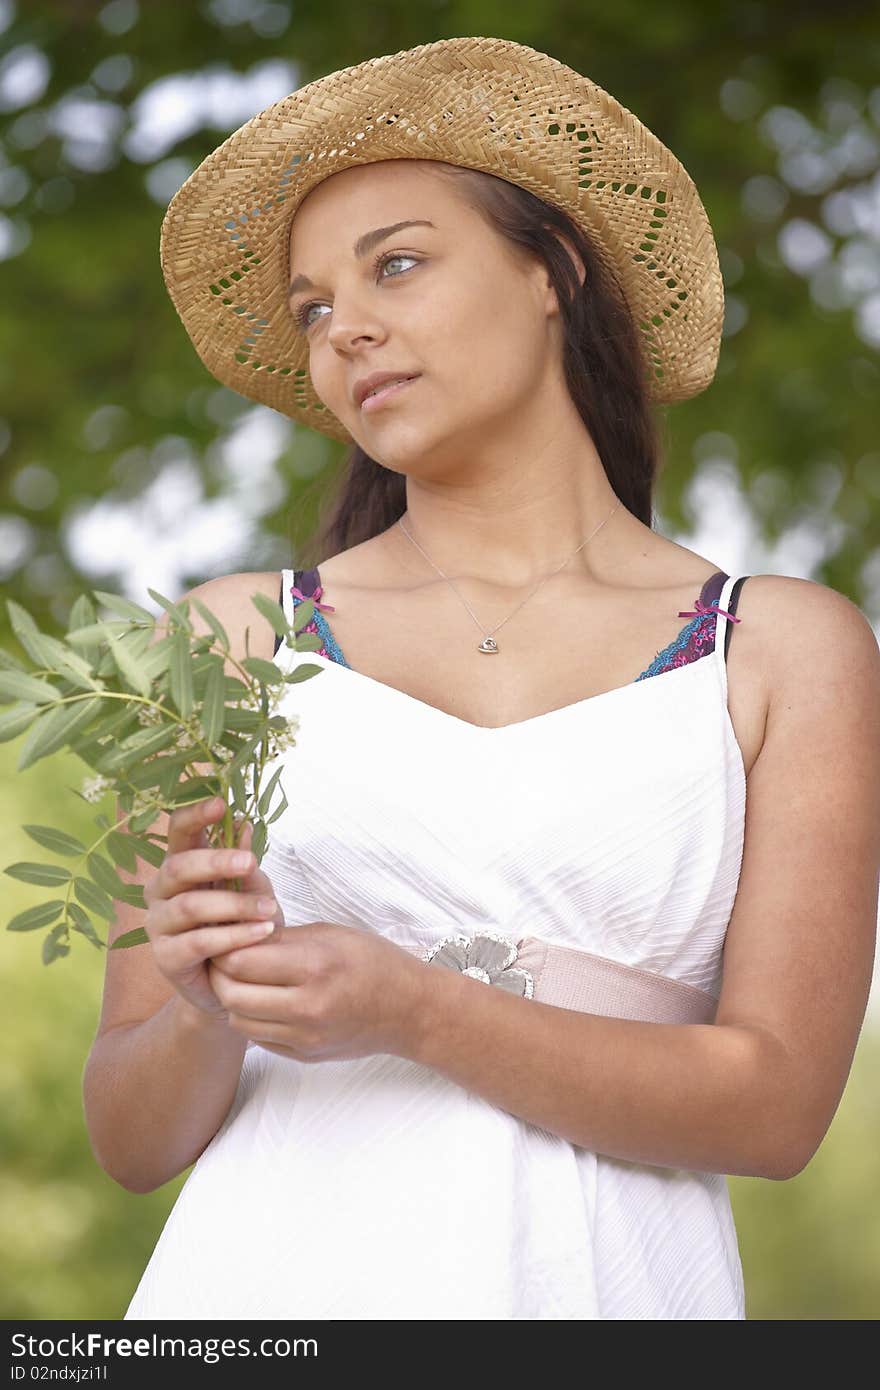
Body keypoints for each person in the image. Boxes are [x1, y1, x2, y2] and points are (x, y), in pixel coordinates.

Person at [83, 37, 880, 1320]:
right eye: (313, 309)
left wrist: (415, 1009)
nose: (348, 329)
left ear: (551, 268)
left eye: (395, 263)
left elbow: (778, 1107)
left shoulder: (782, 647)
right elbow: (131, 1141)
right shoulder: (228, 643)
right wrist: (197, 1008)